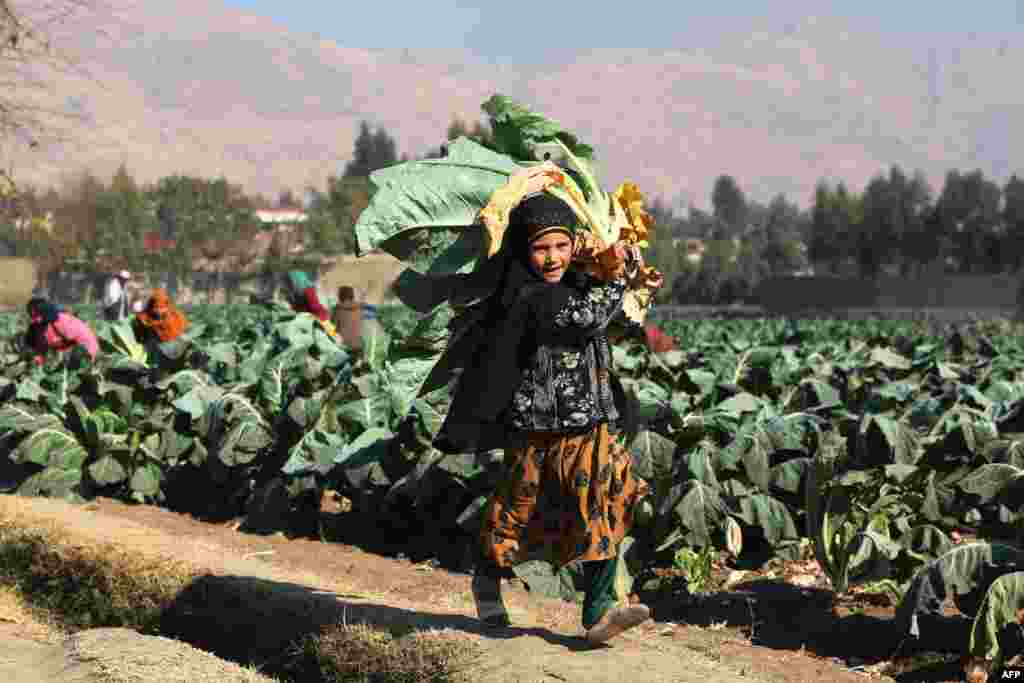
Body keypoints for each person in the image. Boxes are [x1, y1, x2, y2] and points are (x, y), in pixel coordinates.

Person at [433, 192, 660, 645]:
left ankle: (598, 612)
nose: (552, 257)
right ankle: (487, 576)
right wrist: (616, 276)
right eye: (541, 248)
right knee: (517, 511)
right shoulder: (528, 293)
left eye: (560, 246)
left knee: (603, 499)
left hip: (589, 422)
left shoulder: (580, 279)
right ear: (524, 249)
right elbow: (584, 318)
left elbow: (608, 318)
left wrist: (620, 268)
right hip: (535, 427)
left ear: (574, 245)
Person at [24, 297, 99, 366]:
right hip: (58, 359)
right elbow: (38, 348)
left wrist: (92, 358)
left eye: (37, 316)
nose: (35, 320)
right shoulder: (36, 327)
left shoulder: (64, 322)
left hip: (78, 355)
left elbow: (87, 339)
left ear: (45, 312)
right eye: (32, 316)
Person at [331, 285, 363, 351]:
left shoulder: (338, 310)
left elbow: (332, 328)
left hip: (343, 347)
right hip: (357, 346)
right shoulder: (358, 309)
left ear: (340, 295)